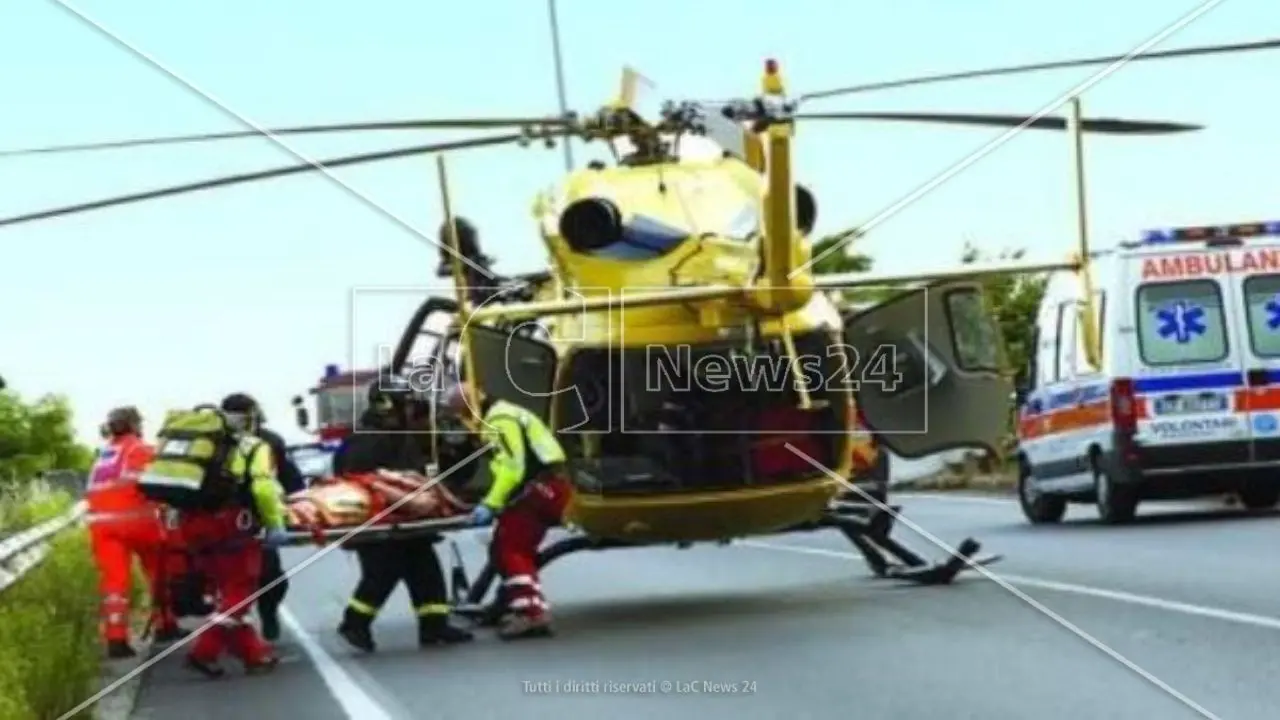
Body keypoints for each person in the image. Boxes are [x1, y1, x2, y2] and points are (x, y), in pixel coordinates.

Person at [332, 374, 473, 652]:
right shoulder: (366, 441)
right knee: (381, 574)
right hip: (378, 525)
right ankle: (354, 623)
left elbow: (415, 471)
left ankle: (434, 626)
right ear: (388, 405)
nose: (410, 409)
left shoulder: (398, 436)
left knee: (426, 571)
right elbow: (364, 482)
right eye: (404, 404)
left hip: (405, 522)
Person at [173, 394, 288, 677]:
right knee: (240, 589)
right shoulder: (252, 446)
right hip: (230, 526)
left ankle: (254, 655)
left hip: (193, 525)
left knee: (227, 593)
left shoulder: (200, 446)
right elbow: (262, 488)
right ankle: (204, 651)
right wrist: (275, 522)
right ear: (251, 417)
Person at [444, 382, 571, 640]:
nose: (462, 420)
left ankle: (531, 613)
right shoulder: (507, 412)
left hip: (538, 489)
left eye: (461, 412)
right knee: (502, 550)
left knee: (512, 549)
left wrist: (491, 503)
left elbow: (512, 467)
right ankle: (511, 603)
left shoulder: (499, 419)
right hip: (549, 485)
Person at [86, 406, 184, 659]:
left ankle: (116, 639)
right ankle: (165, 624)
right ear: (135, 425)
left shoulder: (104, 453)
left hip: (100, 525)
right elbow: (163, 483)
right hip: (137, 521)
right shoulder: (141, 449)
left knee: (114, 583)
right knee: (157, 570)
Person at [243, 399, 305, 642]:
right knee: (256, 579)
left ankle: (264, 619)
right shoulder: (265, 441)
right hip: (244, 518)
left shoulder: (270, 442)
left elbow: (289, 479)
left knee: (267, 576)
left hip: (249, 519)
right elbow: (285, 482)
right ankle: (246, 634)